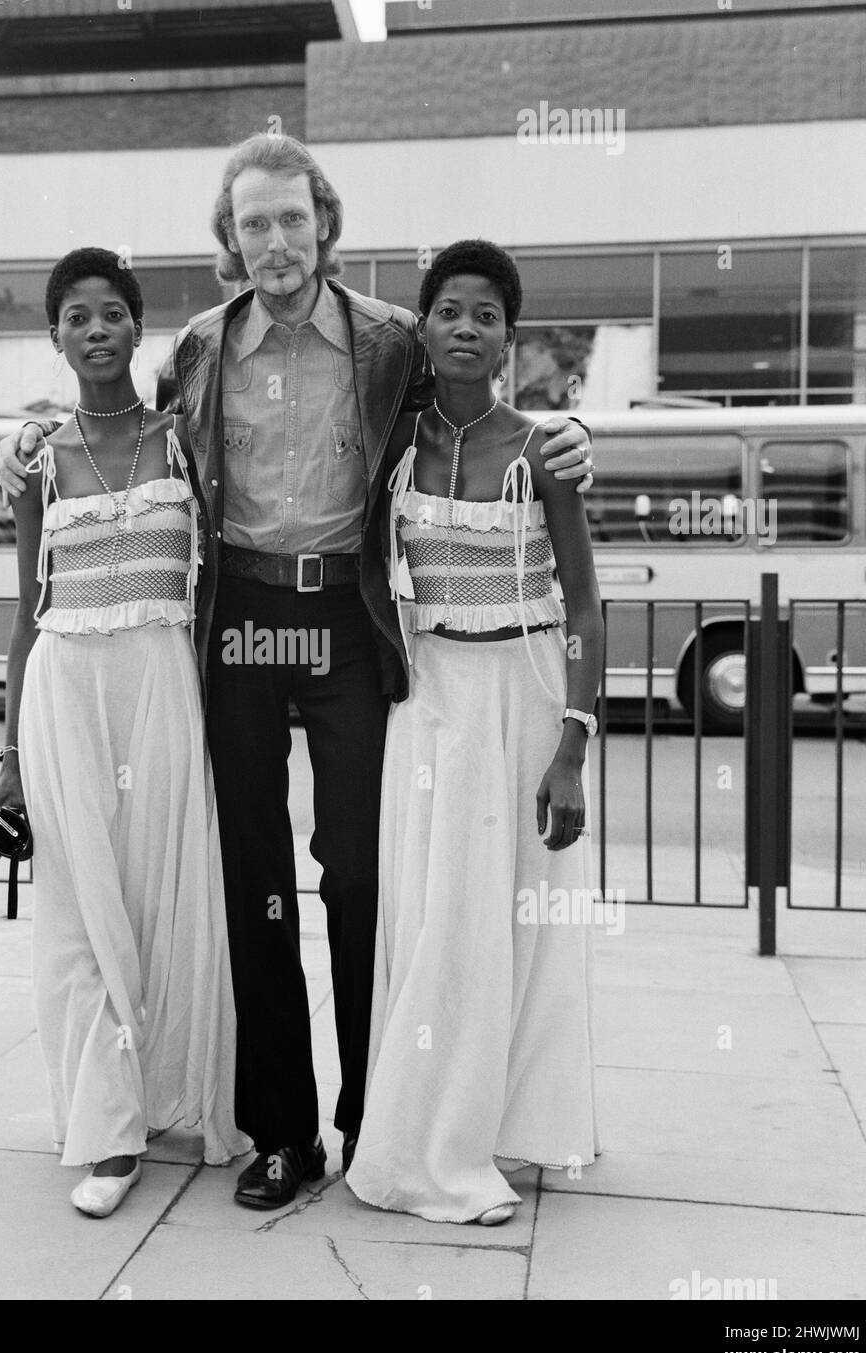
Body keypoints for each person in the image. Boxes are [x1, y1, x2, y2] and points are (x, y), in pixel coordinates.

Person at [0, 134, 594, 1211]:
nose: (274, 242)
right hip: (239, 616)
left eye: (291, 219)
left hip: (347, 621)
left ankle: (372, 1118)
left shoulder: (393, 340)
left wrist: (573, 437)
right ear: (229, 241)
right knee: (251, 877)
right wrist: (23, 438)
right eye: (253, 224)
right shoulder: (197, 349)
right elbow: (115, 425)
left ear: (324, 227)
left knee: (361, 876)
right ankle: (281, 1132)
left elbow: (478, 404)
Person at [0, 247, 249, 1220]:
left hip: (163, 689)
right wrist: (10, 761)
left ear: (138, 327)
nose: (96, 330)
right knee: (81, 912)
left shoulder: (185, 445)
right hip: (65, 693)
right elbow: (27, 611)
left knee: (168, 904)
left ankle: (169, 1098)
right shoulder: (36, 460)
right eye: (76, 317)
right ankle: (109, 1130)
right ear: (54, 336)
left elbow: (215, 586)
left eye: (112, 314)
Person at [346, 240, 603, 1226]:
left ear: (509, 339)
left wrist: (572, 747)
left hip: (525, 700)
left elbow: (584, 606)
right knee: (439, 924)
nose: (464, 328)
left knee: (518, 925)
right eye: (447, 311)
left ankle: (500, 1129)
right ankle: (428, 1154)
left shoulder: (543, 452)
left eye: (485, 315)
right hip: (428, 704)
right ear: (423, 328)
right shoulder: (390, 450)